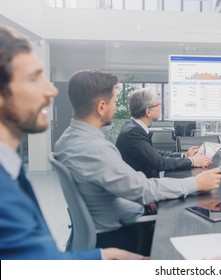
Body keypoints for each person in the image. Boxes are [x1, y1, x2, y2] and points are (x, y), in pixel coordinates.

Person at [0, 24, 147, 260]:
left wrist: (99, 257)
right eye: (33, 78)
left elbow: (34, 261)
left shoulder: (10, 169)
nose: (52, 91)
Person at [54, 69, 221, 253]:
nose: (117, 107)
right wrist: (196, 183)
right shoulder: (94, 148)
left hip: (109, 223)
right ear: (101, 107)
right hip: (122, 234)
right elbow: (143, 190)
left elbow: (127, 185)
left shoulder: (66, 140)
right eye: (115, 102)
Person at [116, 88, 212, 178]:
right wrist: (192, 161)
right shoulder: (133, 132)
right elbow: (160, 163)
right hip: (143, 190)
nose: (160, 108)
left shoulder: (134, 127)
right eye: (157, 105)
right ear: (148, 112)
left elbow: (155, 154)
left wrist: (184, 156)